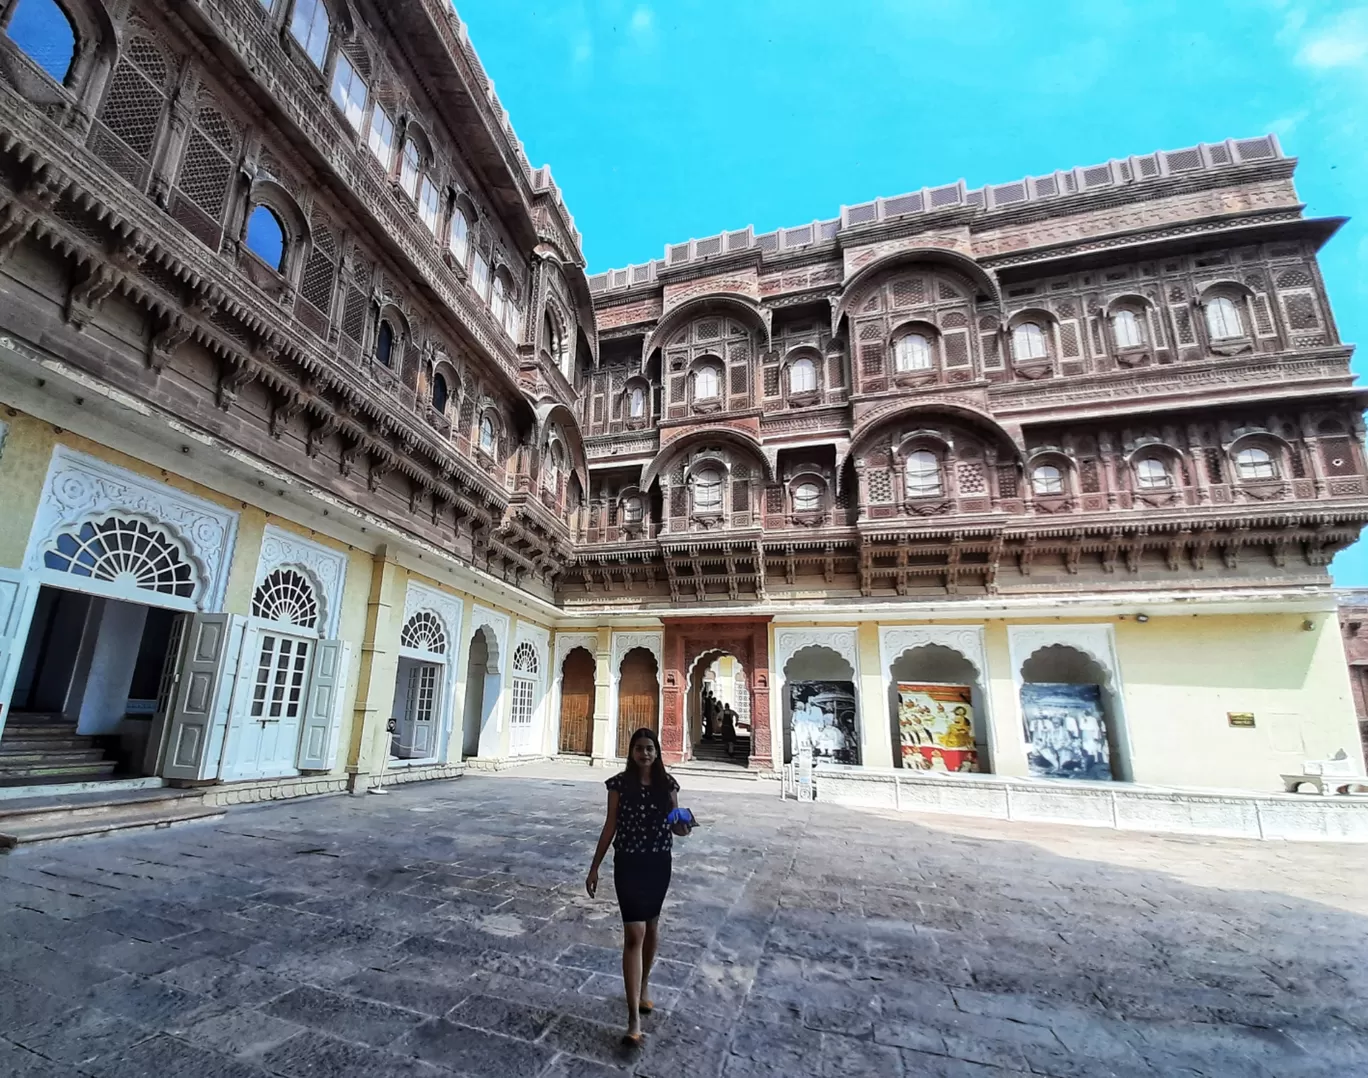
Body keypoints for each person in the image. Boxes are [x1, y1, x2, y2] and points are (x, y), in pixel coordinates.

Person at [585, 727, 693, 1047]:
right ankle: (633, 1017)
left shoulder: (667, 784)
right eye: (639, 748)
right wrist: (594, 867)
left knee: (652, 925)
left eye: (650, 748)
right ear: (631, 752)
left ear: (656, 753)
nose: (645, 753)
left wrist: (685, 823)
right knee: (635, 933)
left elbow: (679, 828)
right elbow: (610, 824)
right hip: (629, 863)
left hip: (658, 863)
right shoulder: (619, 784)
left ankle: (644, 985)